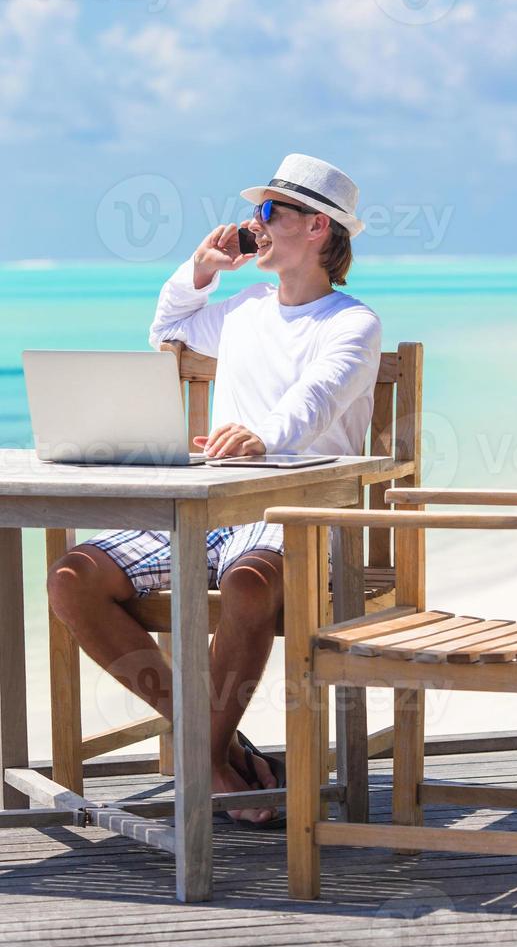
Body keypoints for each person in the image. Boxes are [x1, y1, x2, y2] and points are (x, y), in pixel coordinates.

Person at [47, 153, 382, 827]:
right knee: (72, 578)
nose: (252, 226)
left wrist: (259, 437)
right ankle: (224, 761)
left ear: (317, 228)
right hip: (214, 514)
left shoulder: (353, 323)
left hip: (301, 511)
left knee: (249, 583)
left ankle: (205, 763)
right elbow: (166, 334)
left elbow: (311, 406)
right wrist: (199, 272)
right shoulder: (246, 310)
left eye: (268, 213)